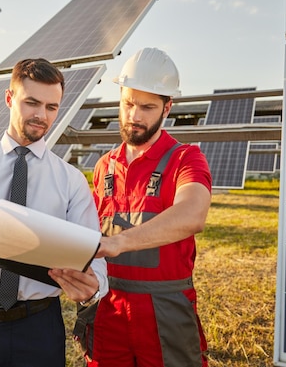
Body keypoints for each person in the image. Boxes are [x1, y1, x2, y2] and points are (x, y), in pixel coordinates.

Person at [0, 58, 108, 367]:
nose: (41, 115)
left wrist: (94, 288)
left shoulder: (71, 181)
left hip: (39, 327)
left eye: (52, 107)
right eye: (31, 103)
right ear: (9, 98)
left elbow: (94, 255)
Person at [77, 47, 212, 367]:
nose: (135, 115)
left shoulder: (186, 159)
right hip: (108, 309)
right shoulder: (105, 166)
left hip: (165, 313)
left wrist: (118, 242)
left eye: (148, 107)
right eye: (128, 103)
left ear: (168, 107)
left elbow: (193, 213)